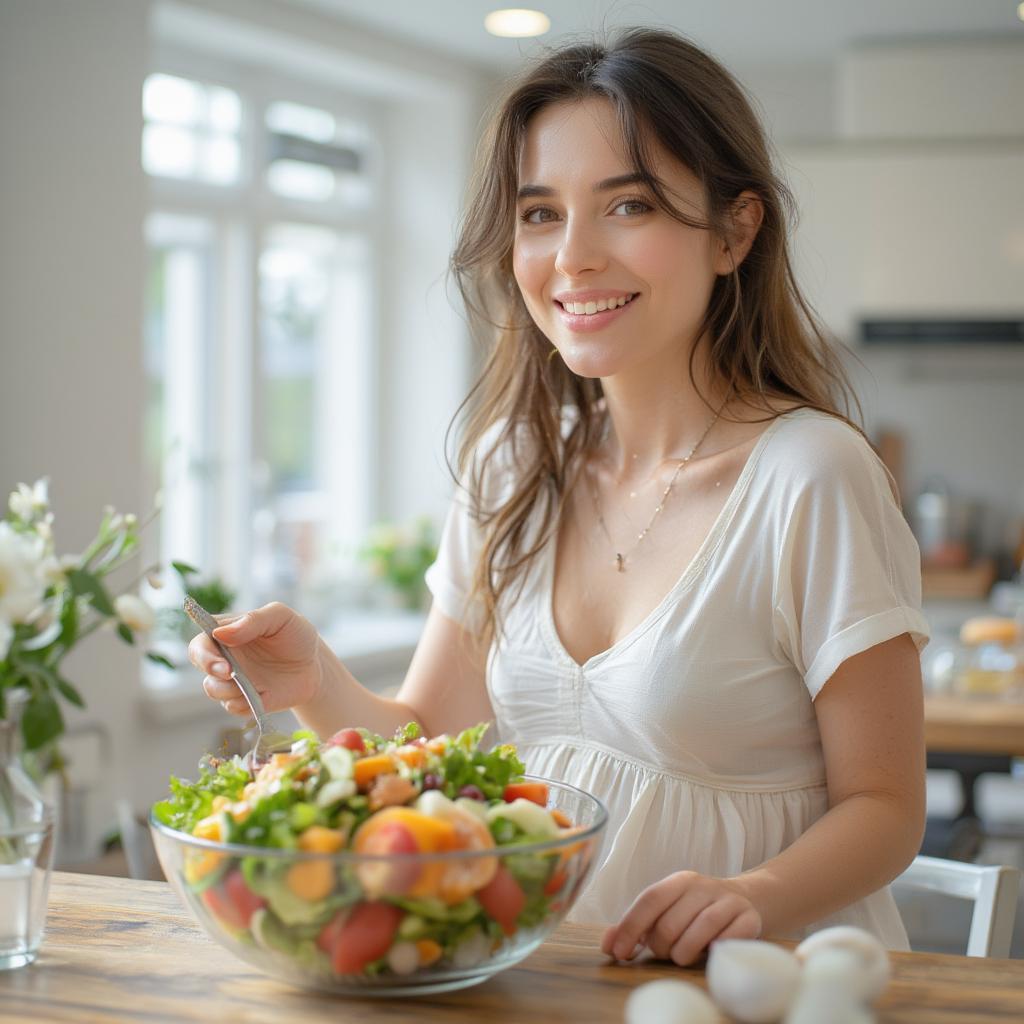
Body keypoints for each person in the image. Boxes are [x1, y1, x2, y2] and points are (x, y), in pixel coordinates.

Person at [190, 28, 930, 966]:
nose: (572, 258)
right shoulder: (511, 467)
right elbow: (427, 739)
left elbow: (888, 807)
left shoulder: (812, 476)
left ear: (735, 231)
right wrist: (312, 683)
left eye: (627, 205)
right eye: (539, 215)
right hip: (547, 979)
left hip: (762, 982)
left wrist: (750, 896)